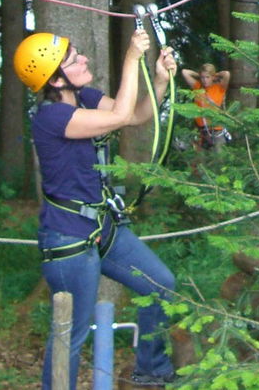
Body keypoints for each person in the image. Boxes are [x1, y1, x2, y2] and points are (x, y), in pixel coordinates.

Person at [15, 28, 179, 388]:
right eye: (75, 59)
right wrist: (131, 57)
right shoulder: (51, 118)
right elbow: (120, 115)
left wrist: (159, 80)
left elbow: (135, 115)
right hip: (68, 238)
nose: (85, 59)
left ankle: (151, 370)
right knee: (71, 334)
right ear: (55, 79)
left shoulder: (85, 98)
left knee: (160, 284)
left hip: (103, 227)